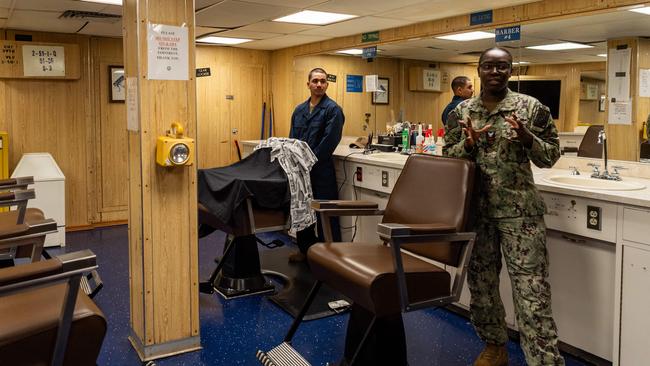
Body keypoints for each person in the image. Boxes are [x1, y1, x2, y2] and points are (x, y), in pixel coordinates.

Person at [443, 47, 565, 366]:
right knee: (482, 288)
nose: (495, 72)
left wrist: (527, 139)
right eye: (489, 66)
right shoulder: (461, 111)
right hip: (477, 214)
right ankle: (495, 348)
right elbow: (448, 158)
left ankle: (544, 361)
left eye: (502, 67)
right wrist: (468, 144)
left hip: (520, 214)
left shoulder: (531, 108)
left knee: (532, 293)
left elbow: (551, 155)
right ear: (479, 70)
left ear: (510, 70)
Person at [289, 67, 345, 262]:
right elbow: (293, 140)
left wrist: (309, 162)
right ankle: (306, 251)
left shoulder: (333, 110)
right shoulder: (299, 110)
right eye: (315, 81)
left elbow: (329, 141)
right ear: (308, 84)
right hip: (300, 172)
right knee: (303, 211)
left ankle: (330, 256)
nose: (319, 84)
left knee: (325, 213)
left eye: (322, 81)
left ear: (327, 84)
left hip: (321, 170)